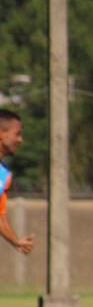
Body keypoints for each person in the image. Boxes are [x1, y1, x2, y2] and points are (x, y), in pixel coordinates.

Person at [0, 109, 35, 255]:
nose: (20, 140)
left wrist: (15, 240)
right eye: (17, 134)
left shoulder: (4, 174)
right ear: (1, 133)